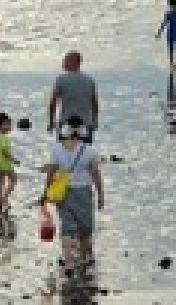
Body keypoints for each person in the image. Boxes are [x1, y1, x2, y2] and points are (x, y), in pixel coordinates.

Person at [41, 115, 104, 276]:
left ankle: (68, 263)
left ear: (66, 129)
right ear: (82, 130)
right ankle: (84, 259)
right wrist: (100, 195)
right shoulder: (89, 151)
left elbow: (51, 172)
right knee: (85, 227)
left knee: (67, 227)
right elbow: (96, 174)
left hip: (63, 191)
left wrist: (46, 192)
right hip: (83, 191)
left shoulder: (56, 149)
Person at [48, 52, 99, 143]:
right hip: (85, 124)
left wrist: (52, 122)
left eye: (66, 61)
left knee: (64, 153)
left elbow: (53, 102)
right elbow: (94, 103)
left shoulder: (61, 79)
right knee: (84, 153)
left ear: (75, 62)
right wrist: (94, 121)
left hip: (66, 123)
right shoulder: (89, 80)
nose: (63, 63)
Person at [0, 113, 18, 217]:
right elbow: (5, 152)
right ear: (0, 126)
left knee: (0, 182)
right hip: (5, 164)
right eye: (7, 124)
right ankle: (5, 197)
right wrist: (14, 160)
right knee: (14, 179)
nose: (9, 126)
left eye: (10, 124)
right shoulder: (4, 139)